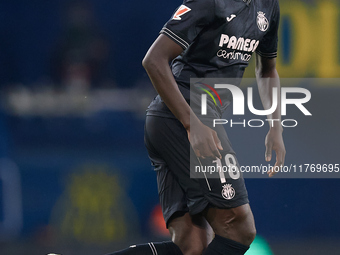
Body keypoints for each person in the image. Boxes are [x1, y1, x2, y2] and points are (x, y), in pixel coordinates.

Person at [107, 0, 285, 254]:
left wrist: (275, 126)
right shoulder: (210, 2)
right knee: (239, 228)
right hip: (183, 116)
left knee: (192, 245)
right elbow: (153, 60)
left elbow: (267, 69)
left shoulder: (268, 6)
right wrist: (191, 123)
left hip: (184, 121)